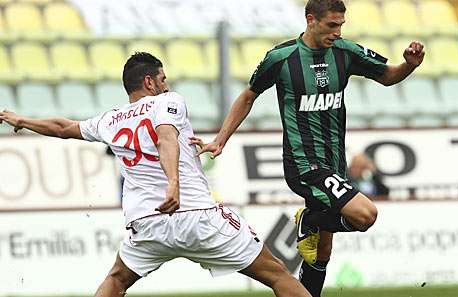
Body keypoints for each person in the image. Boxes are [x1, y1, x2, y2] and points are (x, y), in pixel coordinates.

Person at [0, 52, 311, 297]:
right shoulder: (169, 101)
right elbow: (165, 137)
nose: (167, 84)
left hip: (148, 225)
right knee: (276, 274)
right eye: (163, 78)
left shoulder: (111, 119)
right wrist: (173, 185)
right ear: (149, 82)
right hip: (195, 215)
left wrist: (23, 119)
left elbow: (62, 128)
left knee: (117, 279)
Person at [191, 0, 425, 296]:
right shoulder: (282, 57)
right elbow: (249, 95)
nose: (337, 32)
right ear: (311, 20)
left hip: (334, 163)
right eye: (331, 25)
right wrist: (221, 138)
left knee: (321, 252)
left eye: (341, 25)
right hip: (304, 164)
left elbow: (388, 76)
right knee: (365, 215)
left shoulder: (345, 52)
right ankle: (309, 220)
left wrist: (408, 66)